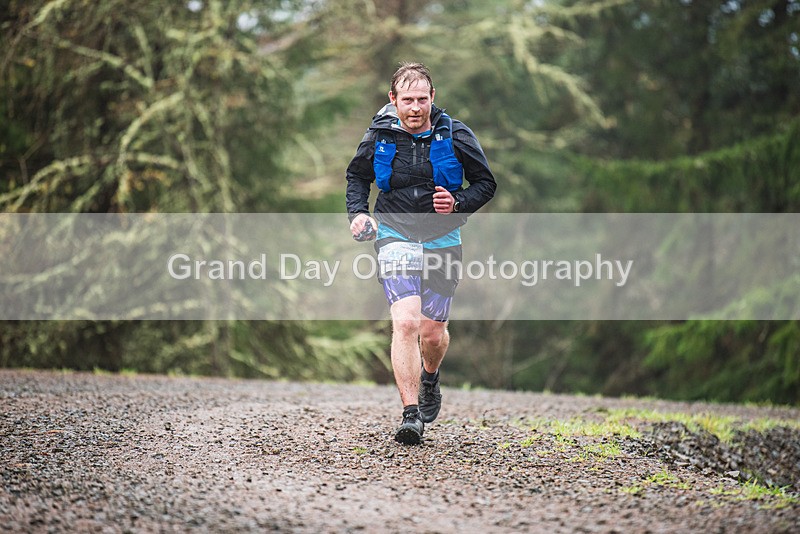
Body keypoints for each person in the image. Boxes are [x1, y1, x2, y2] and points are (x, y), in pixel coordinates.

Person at [346, 62, 496, 445]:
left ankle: (430, 376)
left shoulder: (455, 133)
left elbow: (485, 183)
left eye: (422, 100)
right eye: (408, 100)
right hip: (394, 232)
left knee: (432, 333)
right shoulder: (379, 134)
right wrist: (358, 214)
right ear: (393, 99)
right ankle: (410, 414)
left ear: (433, 98)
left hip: (443, 238)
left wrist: (458, 203)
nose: (415, 108)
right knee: (406, 322)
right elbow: (357, 176)